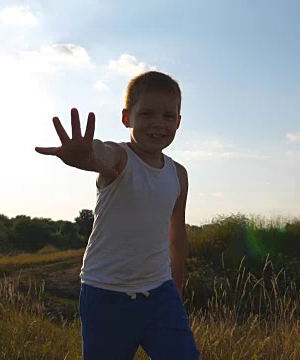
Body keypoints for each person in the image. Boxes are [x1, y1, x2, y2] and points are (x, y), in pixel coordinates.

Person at [35, 71, 200, 359]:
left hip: (161, 295)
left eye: (168, 116)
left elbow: (178, 234)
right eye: (147, 113)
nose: (158, 123)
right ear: (127, 118)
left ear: (179, 121)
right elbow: (100, 155)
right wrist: (83, 156)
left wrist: (177, 287)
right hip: (106, 294)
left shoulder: (179, 175)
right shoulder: (121, 159)